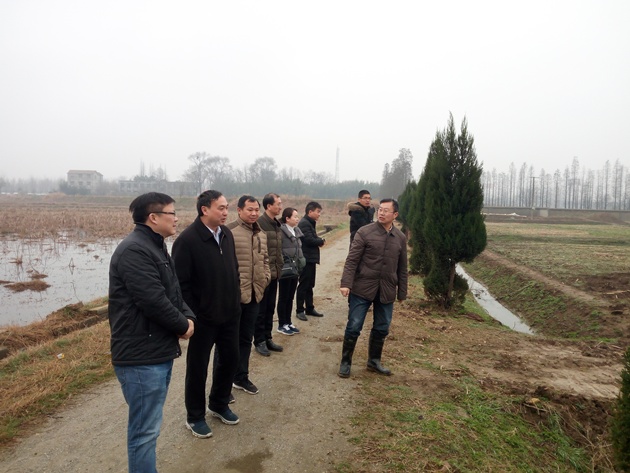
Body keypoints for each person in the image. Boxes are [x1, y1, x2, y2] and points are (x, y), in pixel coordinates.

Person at [108, 192, 196, 472]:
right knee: (144, 432)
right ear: (153, 217)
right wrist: (182, 326)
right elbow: (152, 300)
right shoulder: (134, 250)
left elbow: (173, 292)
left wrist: (188, 317)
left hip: (156, 351)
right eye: (172, 213)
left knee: (149, 428)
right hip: (141, 357)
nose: (177, 218)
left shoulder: (156, 247)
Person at [172, 190, 241, 439]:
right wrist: (193, 314)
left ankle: (219, 403)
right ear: (204, 210)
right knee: (198, 368)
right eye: (221, 208)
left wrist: (235, 301)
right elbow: (180, 285)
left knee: (229, 360)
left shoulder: (227, 234)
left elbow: (234, 270)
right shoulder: (187, 240)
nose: (225, 212)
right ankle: (195, 416)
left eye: (226, 207)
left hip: (230, 314)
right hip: (203, 319)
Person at [338, 198, 408, 378]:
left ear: (395, 214)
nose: (381, 213)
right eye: (380, 209)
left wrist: (402, 292)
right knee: (354, 326)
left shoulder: (400, 238)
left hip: (386, 289)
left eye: (386, 210)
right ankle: (345, 362)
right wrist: (346, 283)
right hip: (362, 288)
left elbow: (402, 267)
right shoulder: (365, 232)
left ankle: (374, 361)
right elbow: (352, 260)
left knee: (382, 327)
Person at [225, 195, 270, 393]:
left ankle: (241, 377)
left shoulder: (261, 234)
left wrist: (265, 278)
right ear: (239, 210)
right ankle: (223, 385)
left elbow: (265, 260)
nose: (254, 213)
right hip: (234, 297)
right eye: (249, 209)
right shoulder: (228, 232)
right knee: (227, 342)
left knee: (246, 339)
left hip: (254, 295)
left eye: (256, 210)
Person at [254, 193, 284, 356]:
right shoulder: (260, 224)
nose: (280, 207)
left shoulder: (276, 224)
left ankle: (268, 337)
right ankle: (259, 340)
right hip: (263, 274)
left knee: (270, 308)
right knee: (261, 310)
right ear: (268, 206)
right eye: (278, 204)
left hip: (275, 273)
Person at [276, 207, 305, 335]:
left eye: (297, 216)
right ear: (287, 218)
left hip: (295, 269)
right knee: (283, 297)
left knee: (290, 297)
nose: (297, 219)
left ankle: (288, 322)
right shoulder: (281, 231)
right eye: (295, 216)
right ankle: (281, 324)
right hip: (286, 269)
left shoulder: (296, 231)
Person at [296, 201, 326, 321]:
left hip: (310, 258)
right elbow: (309, 240)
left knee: (310, 284)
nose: (319, 214)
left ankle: (309, 308)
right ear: (310, 212)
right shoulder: (304, 223)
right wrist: (321, 241)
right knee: (304, 285)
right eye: (317, 212)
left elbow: (313, 237)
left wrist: (319, 240)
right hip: (306, 259)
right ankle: (299, 310)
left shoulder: (310, 223)